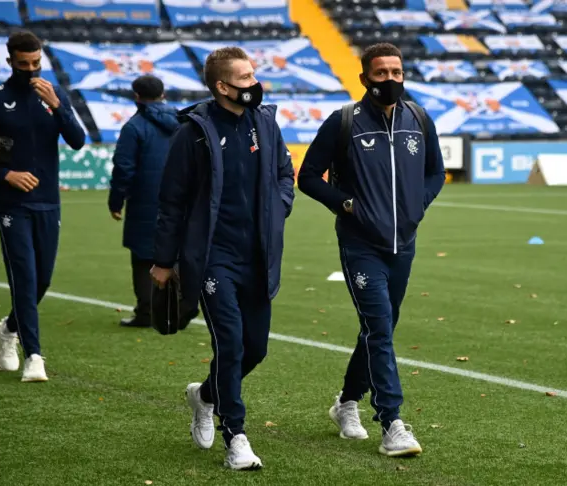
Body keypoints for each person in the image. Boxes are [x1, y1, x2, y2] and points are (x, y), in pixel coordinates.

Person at [149, 47, 294, 470]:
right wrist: (163, 260)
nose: (255, 82)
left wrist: (278, 207)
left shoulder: (265, 121)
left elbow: (285, 173)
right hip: (213, 258)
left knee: (256, 349)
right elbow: (171, 201)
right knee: (229, 343)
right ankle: (237, 437)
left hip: (260, 255)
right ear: (222, 86)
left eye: (253, 74)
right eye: (246, 77)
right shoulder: (193, 132)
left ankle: (205, 395)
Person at [298, 42, 445, 457]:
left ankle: (346, 403)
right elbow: (308, 176)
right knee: (380, 329)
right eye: (381, 73)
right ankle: (392, 423)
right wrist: (346, 205)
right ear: (364, 78)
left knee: (378, 329)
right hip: (361, 244)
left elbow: (436, 171)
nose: (390, 80)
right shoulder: (344, 121)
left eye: (396, 72)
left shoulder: (419, 118)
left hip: (404, 245)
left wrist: (419, 203)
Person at [0, 30, 86, 382]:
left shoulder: (53, 93)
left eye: (36, 63)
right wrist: (5, 174)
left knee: (42, 281)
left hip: (49, 203)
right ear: (10, 60)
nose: (31, 70)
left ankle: (8, 329)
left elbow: (77, 141)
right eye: (24, 64)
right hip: (12, 203)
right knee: (25, 280)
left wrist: (58, 106)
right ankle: (35, 357)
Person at [108, 75, 179, 328]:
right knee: (176, 252)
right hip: (182, 201)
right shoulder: (183, 122)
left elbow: (123, 168)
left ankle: (147, 313)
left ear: (136, 97)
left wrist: (116, 201)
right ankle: (175, 311)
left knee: (142, 257)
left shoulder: (134, 127)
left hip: (145, 201)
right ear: (163, 93)